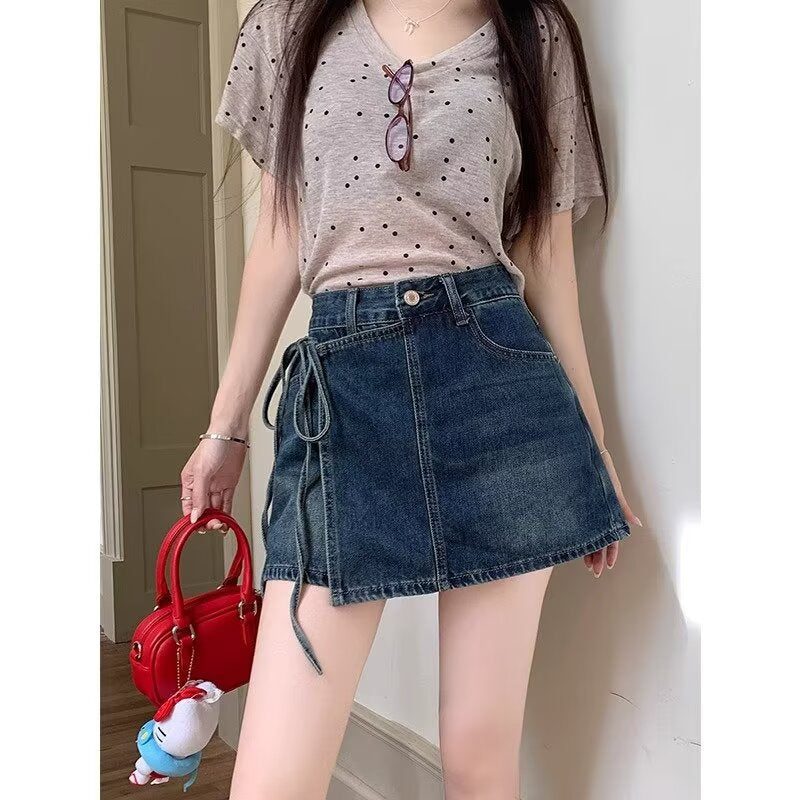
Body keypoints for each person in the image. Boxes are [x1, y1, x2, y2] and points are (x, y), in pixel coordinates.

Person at [180, 1, 642, 797]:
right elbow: (279, 234)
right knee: (272, 780)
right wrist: (226, 427)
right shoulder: (288, 25)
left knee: (478, 757)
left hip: (498, 390)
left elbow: (546, 251)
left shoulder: (534, 31)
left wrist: (594, 444)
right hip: (342, 404)